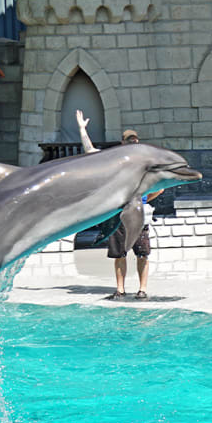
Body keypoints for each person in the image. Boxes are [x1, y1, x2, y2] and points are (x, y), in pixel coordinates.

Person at [78, 112, 156, 300]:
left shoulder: (144, 164)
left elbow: (159, 189)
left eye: (135, 141)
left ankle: (142, 289)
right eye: (129, 141)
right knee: (119, 254)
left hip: (138, 214)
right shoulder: (115, 160)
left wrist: (143, 200)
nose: (133, 143)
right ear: (123, 143)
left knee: (142, 253)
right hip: (118, 214)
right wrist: (82, 129)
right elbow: (90, 152)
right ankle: (120, 289)